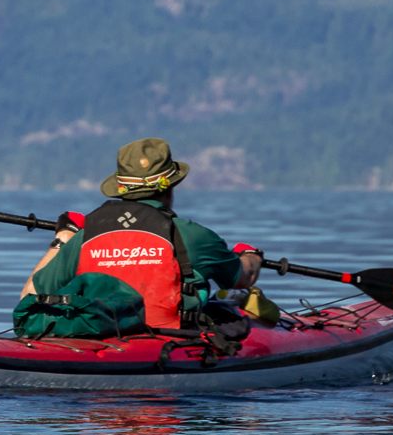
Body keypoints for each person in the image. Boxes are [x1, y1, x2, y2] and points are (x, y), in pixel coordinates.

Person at [21, 137, 261, 331]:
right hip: (167, 340)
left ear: (119, 187)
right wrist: (249, 255)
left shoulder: (87, 235)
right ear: (172, 186)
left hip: (96, 333)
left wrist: (65, 238)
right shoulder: (193, 236)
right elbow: (243, 277)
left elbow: (30, 295)